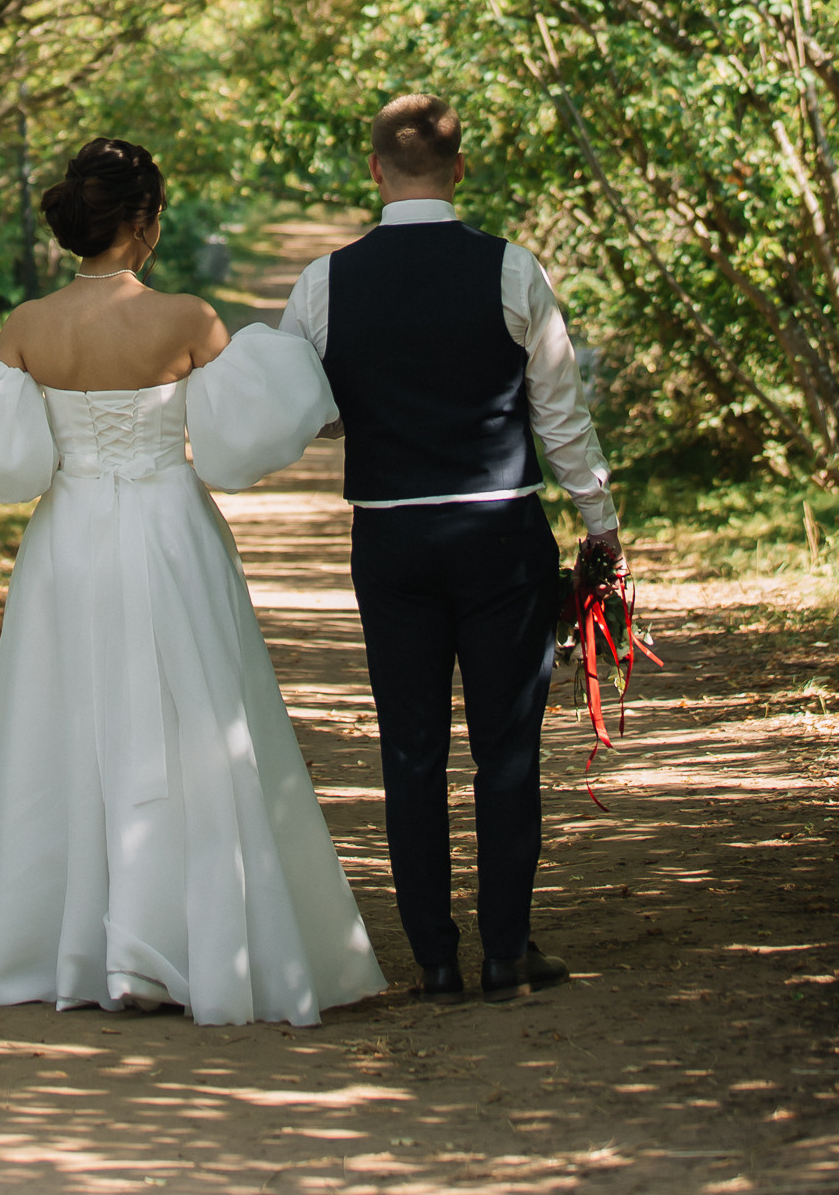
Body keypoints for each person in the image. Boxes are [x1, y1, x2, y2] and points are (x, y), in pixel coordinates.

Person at [0, 135, 386, 1026]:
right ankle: (188, 942)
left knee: (68, 722)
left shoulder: (26, 326)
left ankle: (69, 945)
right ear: (143, 224)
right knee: (193, 722)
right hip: (170, 531)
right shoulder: (188, 320)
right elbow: (249, 438)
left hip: (70, 539)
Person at [279, 91, 621, 1006]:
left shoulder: (323, 284)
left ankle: (434, 957)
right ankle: (506, 951)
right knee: (506, 747)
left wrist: (372, 406)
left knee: (411, 746)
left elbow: (297, 411)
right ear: (461, 169)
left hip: (389, 533)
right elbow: (560, 415)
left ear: (375, 171)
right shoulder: (513, 271)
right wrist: (600, 523)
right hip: (500, 532)